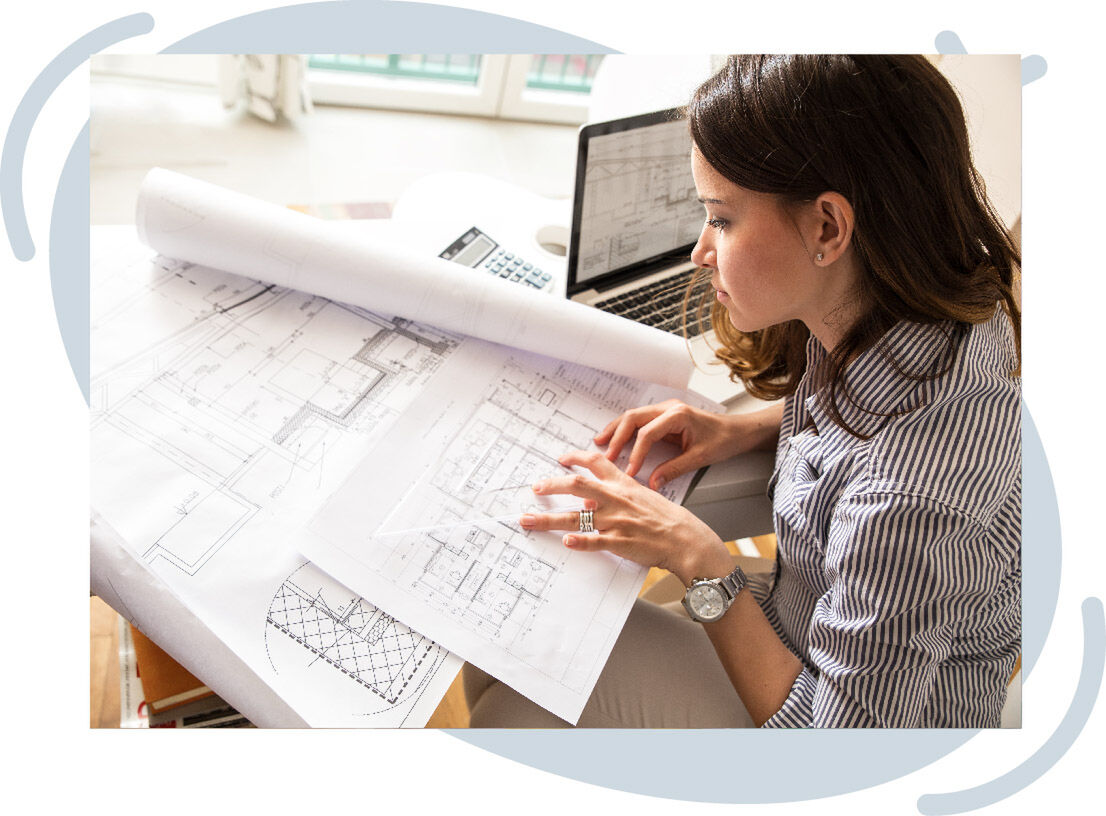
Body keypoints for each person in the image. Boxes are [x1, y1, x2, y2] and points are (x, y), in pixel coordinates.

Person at [463, 55, 1021, 728]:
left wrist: (700, 565)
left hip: (858, 723)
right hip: (808, 609)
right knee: (500, 640)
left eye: (722, 219)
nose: (700, 251)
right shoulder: (932, 299)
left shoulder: (914, 500)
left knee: (516, 709)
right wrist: (746, 428)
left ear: (827, 228)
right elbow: (871, 417)